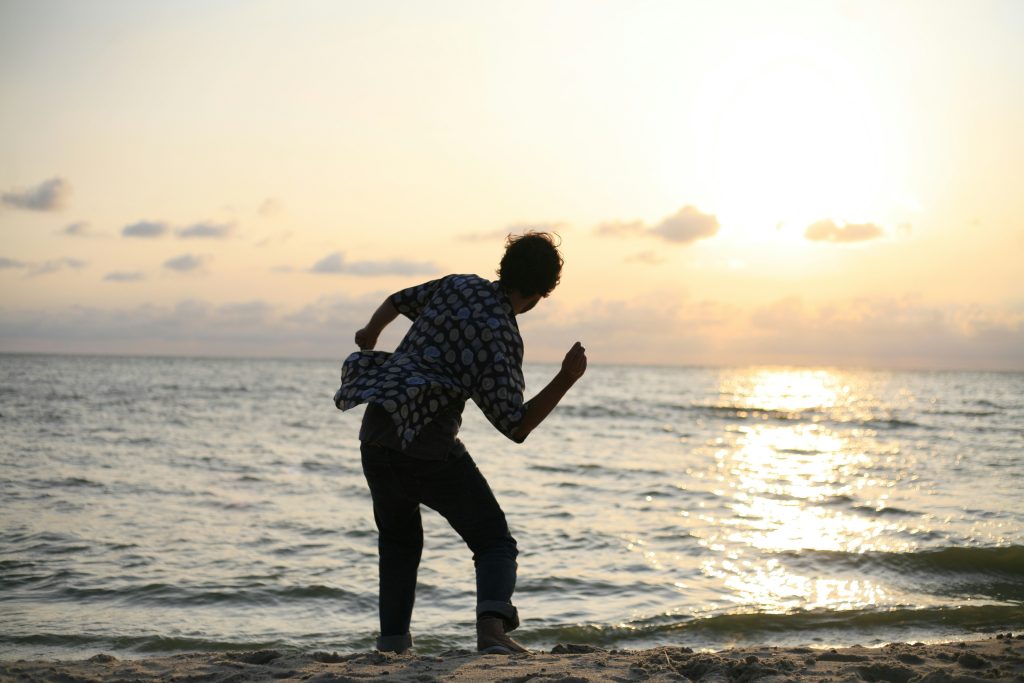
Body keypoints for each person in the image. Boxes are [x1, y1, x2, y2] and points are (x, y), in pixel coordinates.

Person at [334, 232, 587, 655]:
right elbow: (516, 425)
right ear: (542, 293)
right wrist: (566, 378)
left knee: (398, 543)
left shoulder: (459, 284)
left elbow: (398, 300)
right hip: (425, 443)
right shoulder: (502, 334)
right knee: (493, 541)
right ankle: (491, 631)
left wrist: (370, 330)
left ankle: (393, 645)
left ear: (504, 266)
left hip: (376, 431)